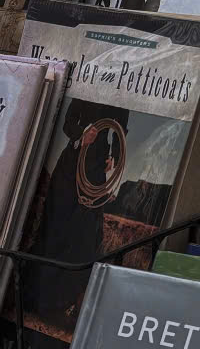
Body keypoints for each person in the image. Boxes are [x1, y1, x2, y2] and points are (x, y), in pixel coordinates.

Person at [22, 99, 129, 326]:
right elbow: (68, 121)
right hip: (71, 165)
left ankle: (61, 304)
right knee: (55, 231)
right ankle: (36, 299)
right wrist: (81, 135)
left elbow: (121, 129)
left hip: (96, 170)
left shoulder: (123, 101)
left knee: (85, 237)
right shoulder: (88, 95)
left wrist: (114, 157)